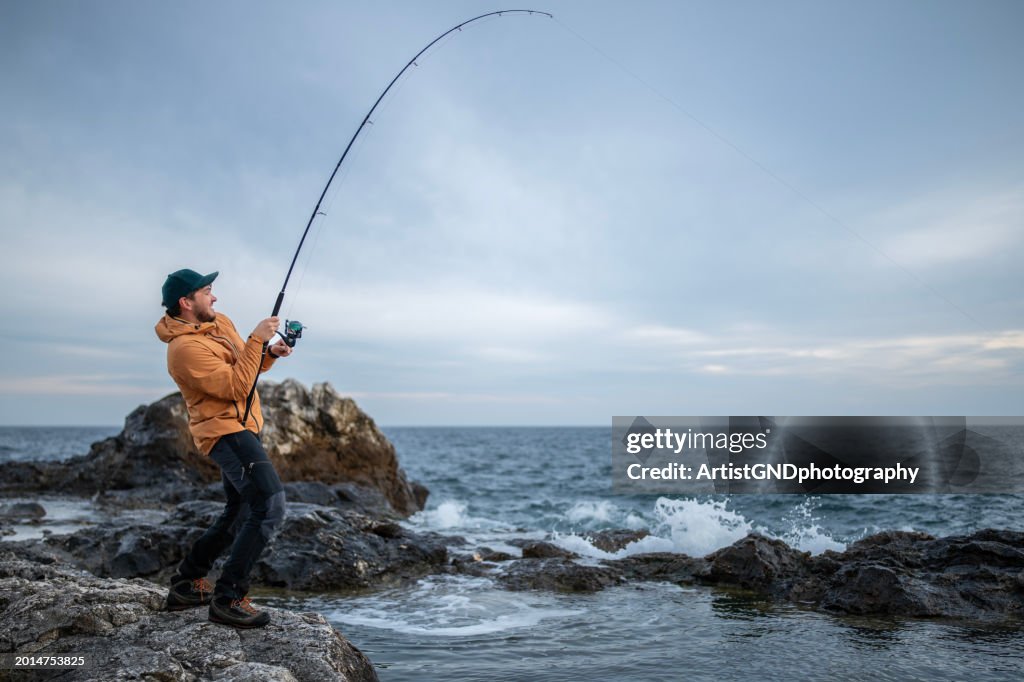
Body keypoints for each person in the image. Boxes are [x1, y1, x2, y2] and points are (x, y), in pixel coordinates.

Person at [154, 268, 293, 628]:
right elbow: (234, 386)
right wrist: (254, 338)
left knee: (240, 509)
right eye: (206, 292)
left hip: (246, 425)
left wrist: (269, 352)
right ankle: (228, 598)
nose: (214, 297)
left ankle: (187, 582)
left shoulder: (219, 323)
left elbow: (246, 369)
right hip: (224, 433)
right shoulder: (183, 350)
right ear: (186, 303)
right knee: (270, 504)